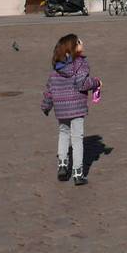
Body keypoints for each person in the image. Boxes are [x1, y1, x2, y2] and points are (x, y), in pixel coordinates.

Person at [41, 33, 101, 186]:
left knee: (63, 133)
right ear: (73, 49)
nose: (82, 42)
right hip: (76, 107)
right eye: (79, 41)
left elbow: (49, 90)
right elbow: (83, 83)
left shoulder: (56, 69)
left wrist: (46, 106)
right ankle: (77, 173)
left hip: (61, 109)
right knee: (77, 139)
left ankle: (62, 164)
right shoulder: (80, 64)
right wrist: (95, 83)